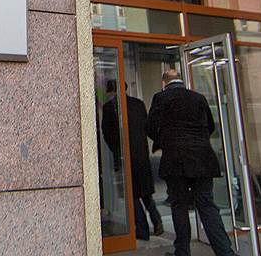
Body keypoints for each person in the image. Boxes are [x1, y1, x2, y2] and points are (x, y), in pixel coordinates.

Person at [146, 69, 238, 256]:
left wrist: (165, 141)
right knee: (207, 206)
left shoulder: (161, 98)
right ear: (181, 80)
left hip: (175, 160)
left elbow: (150, 127)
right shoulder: (198, 97)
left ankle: (182, 251)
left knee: (179, 205)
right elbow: (210, 126)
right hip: (203, 159)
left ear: (164, 83)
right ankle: (225, 252)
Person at [100, 80, 164, 241]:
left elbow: (107, 133)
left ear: (111, 91)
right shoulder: (138, 104)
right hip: (141, 155)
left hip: (125, 156)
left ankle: (142, 228)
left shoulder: (109, 108)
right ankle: (157, 221)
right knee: (145, 193)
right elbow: (147, 127)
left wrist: (116, 150)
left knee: (132, 195)